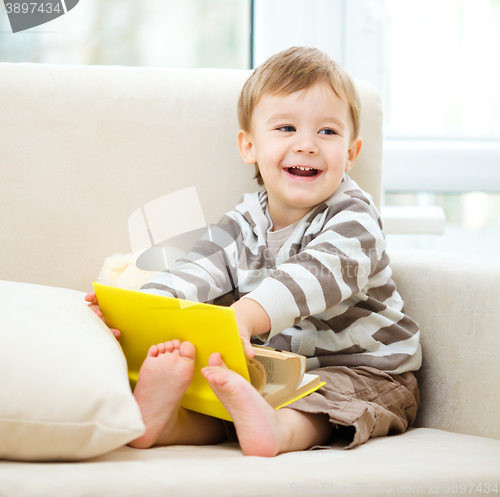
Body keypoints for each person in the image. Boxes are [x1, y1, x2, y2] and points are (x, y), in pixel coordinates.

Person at [85, 46, 421, 457]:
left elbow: (314, 275)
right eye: (285, 128)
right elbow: (193, 272)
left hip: (366, 368)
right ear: (249, 147)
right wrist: (138, 312)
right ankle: (168, 422)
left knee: (327, 400)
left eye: (328, 132)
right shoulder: (241, 222)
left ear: (350, 154)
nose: (307, 145)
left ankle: (278, 430)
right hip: (275, 368)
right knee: (224, 385)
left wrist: (243, 317)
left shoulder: (355, 217)